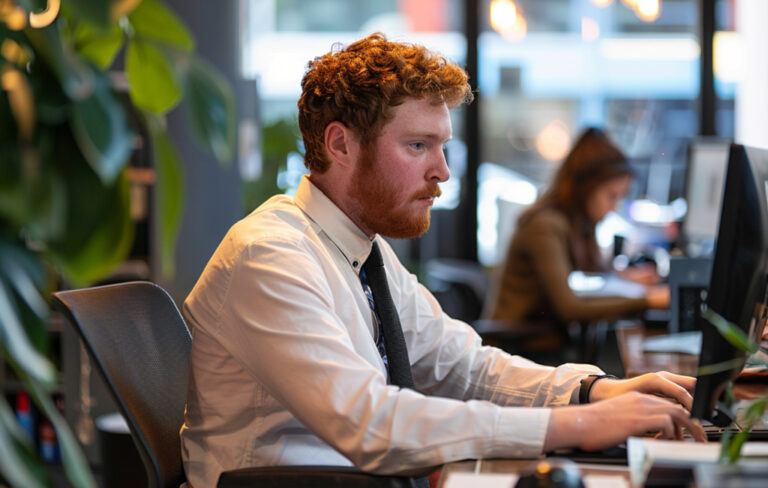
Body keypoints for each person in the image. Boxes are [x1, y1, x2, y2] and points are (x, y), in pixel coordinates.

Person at [179, 34, 704, 488]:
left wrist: (592, 392)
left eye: (443, 147)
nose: (443, 172)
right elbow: (368, 422)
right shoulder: (270, 255)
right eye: (417, 145)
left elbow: (464, 366)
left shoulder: (363, 250)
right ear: (339, 143)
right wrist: (579, 427)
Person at [484, 128, 670, 329]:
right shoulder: (545, 225)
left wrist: (622, 277)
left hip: (543, 344)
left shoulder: (574, 224)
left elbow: (588, 279)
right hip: (521, 348)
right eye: (611, 195)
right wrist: (649, 300)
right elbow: (569, 308)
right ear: (586, 189)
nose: (614, 206)